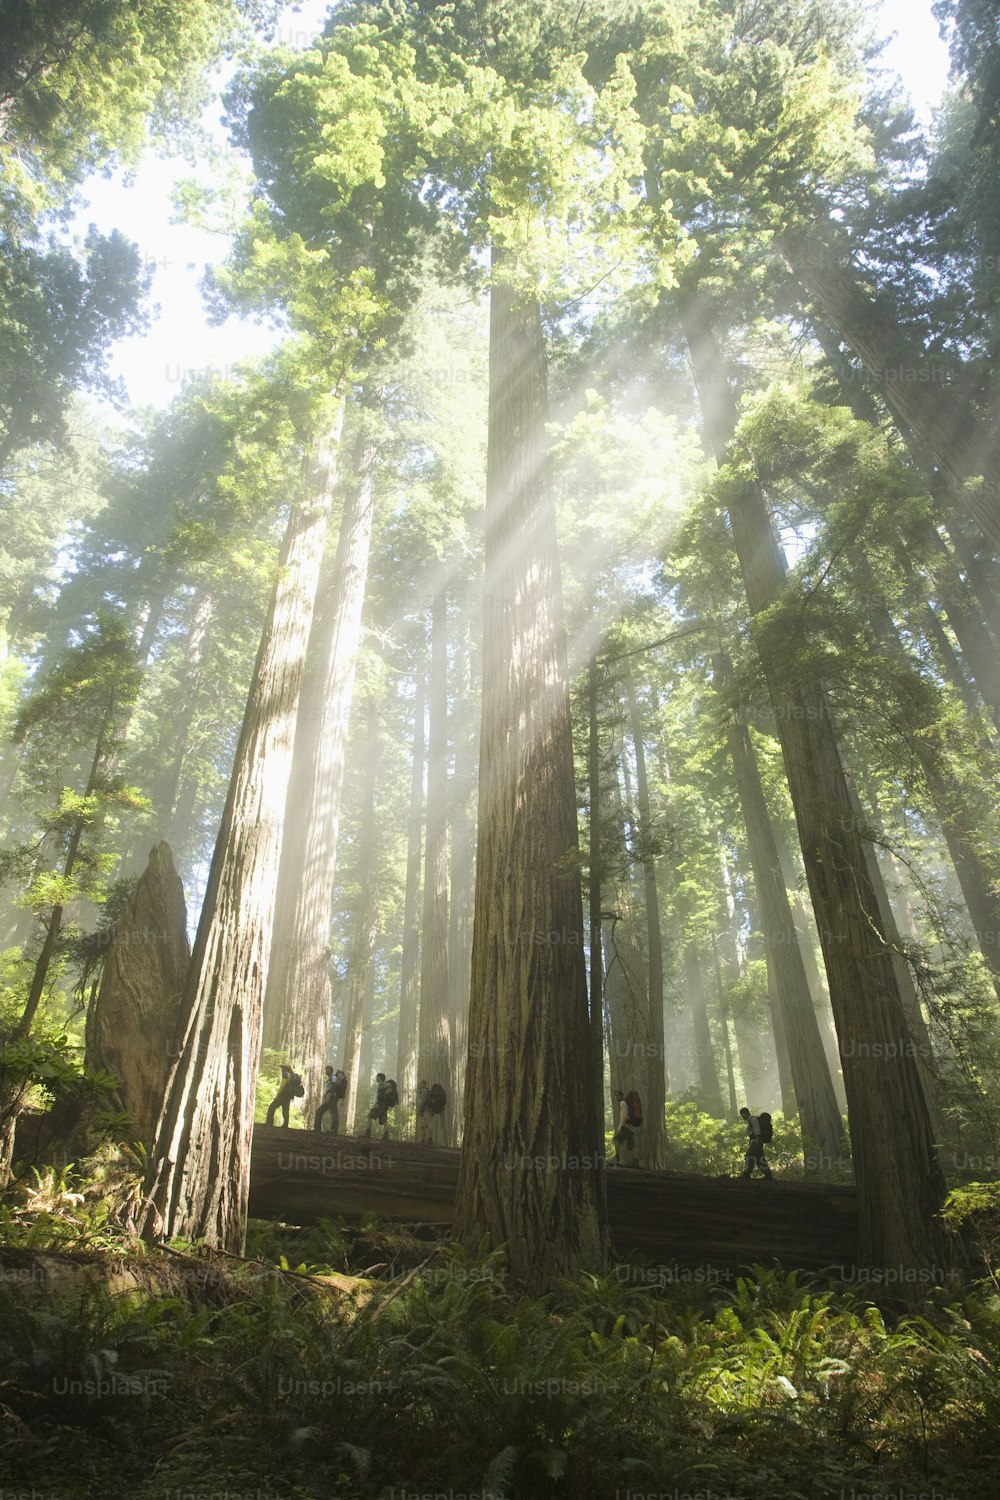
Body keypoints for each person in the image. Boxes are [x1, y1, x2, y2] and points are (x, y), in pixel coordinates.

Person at [738, 1106, 773, 1179]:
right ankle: (767, 1173)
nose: (742, 1117)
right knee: (760, 1157)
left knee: (749, 1155)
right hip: (756, 1141)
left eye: (742, 1115)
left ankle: (746, 1173)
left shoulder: (752, 1119)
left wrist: (757, 1138)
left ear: (745, 1113)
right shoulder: (751, 1120)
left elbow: (757, 1129)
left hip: (756, 1141)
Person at [612, 1088, 639, 1167]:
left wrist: (620, 1128)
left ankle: (617, 1158)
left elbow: (624, 1116)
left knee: (616, 1139)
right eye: (615, 1096)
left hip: (626, 1126)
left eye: (618, 1095)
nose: (616, 1097)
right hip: (630, 1127)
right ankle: (635, 1160)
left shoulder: (622, 1103)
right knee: (631, 1145)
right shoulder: (624, 1103)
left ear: (621, 1096)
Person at [362, 1072, 389, 1141]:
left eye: (377, 1077)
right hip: (385, 1105)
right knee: (384, 1120)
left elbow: (381, 1094)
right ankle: (386, 1135)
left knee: (370, 1116)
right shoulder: (385, 1084)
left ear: (380, 1078)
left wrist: (378, 1104)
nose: (376, 1078)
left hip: (380, 1104)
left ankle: (368, 1133)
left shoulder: (381, 1084)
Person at [314, 1065, 340, 1133]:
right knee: (319, 1111)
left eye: (327, 1070)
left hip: (332, 1098)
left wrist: (330, 1095)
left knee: (334, 1114)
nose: (326, 1071)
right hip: (329, 1098)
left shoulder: (333, 1077)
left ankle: (334, 1130)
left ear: (331, 1070)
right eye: (326, 1070)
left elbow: (334, 1085)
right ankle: (317, 1128)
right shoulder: (330, 1078)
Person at [416, 1079, 433, 1144]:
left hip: (426, 1110)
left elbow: (422, 1101)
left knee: (428, 1123)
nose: (418, 1085)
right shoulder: (426, 1091)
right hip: (427, 1110)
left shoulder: (424, 1091)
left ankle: (430, 1139)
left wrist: (419, 1109)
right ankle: (423, 1140)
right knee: (422, 1125)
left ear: (423, 1084)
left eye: (419, 1084)